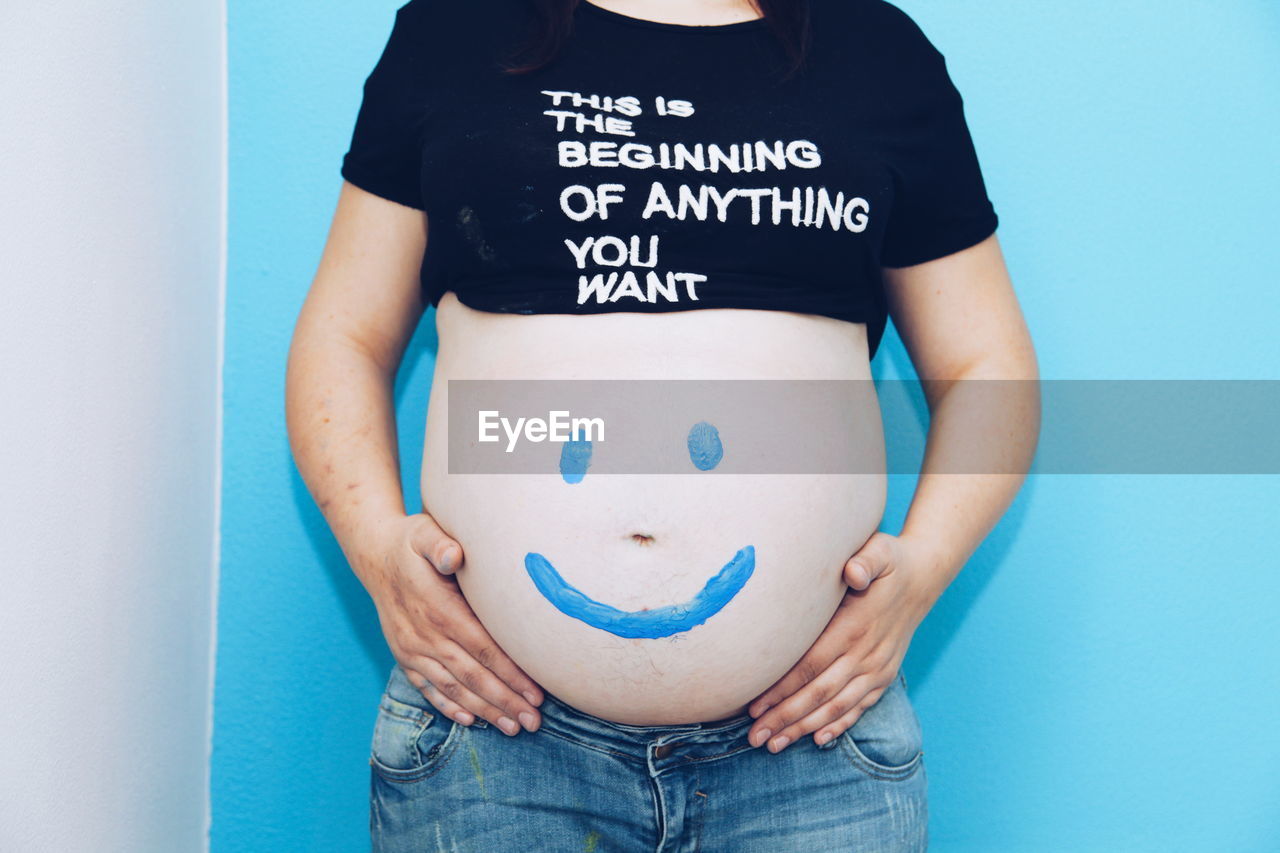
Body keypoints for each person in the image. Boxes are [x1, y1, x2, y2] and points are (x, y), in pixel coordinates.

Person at [285, 0, 1039, 849]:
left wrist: (924, 571)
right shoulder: (458, 28)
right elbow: (345, 335)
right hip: (495, 740)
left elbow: (988, 368)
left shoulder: (875, 49)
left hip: (810, 748)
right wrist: (376, 548)